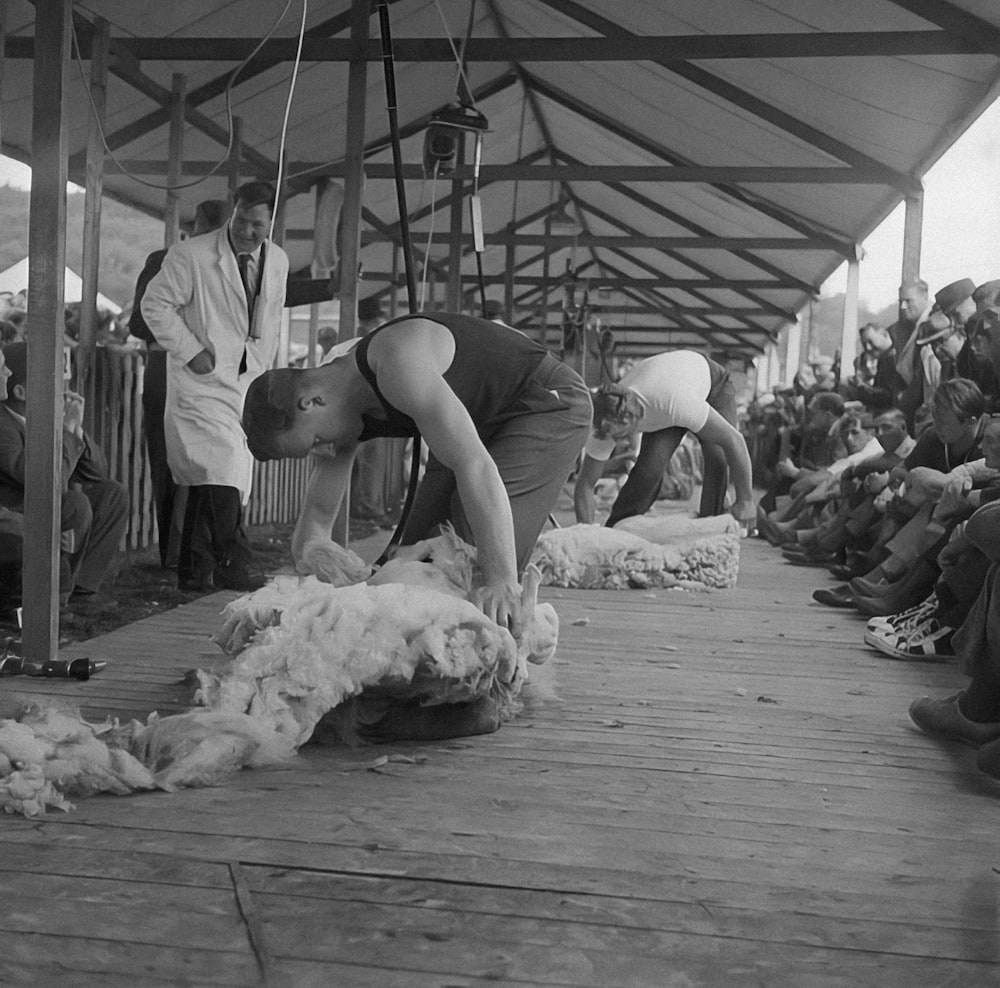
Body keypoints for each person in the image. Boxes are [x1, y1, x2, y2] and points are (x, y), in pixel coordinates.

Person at [242, 311, 592, 636]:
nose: (322, 449)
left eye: (316, 439)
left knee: (465, 562)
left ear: (311, 403)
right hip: (471, 425)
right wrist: (315, 568)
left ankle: (488, 663)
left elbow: (475, 465)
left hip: (543, 402)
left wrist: (501, 578)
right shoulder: (333, 401)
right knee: (409, 567)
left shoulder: (397, 363)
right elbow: (317, 519)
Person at [141, 181, 289, 592]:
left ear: (270, 223)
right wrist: (190, 351)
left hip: (244, 382)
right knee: (222, 465)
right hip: (199, 380)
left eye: (257, 224)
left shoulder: (277, 260)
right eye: (242, 219)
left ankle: (193, 569)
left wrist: (262, 371)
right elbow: (154, 305)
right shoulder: (191, 254)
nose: (247, 231)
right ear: (233, 211)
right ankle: (233, 563)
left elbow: (271, 319)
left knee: (216, 474)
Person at [128, 199, 230, 570]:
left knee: (217, 460)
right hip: (169, 366)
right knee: (170, 459)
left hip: (215, 375)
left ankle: (201, 552)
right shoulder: (164, 260)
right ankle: (177, 555)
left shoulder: (233, 268)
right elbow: (138, 323)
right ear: (195, 227)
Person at [0, 342, 128, 612]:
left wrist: (75, 430)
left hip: (47, 502)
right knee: (75, 504)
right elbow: (38, 480)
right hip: (16, 511)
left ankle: (82, 587)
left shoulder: (45, 415)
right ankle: (56, 595)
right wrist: (67, 435)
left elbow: (97, 473)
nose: (59, 388)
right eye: (49, 380)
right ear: (21, 392)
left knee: (112, 494)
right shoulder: (4, 425)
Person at [573, 350, 755, 531]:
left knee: (718, 457)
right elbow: (586, 484)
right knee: (649, 469)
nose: (621, 442)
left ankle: (712, 528)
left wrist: (745, 500)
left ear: (634, 420)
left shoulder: (674, 405)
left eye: (622, 435)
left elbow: (734, 440)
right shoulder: (604, 424)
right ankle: (618, 528)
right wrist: (587, 532)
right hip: (670, 389)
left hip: (712, 384)